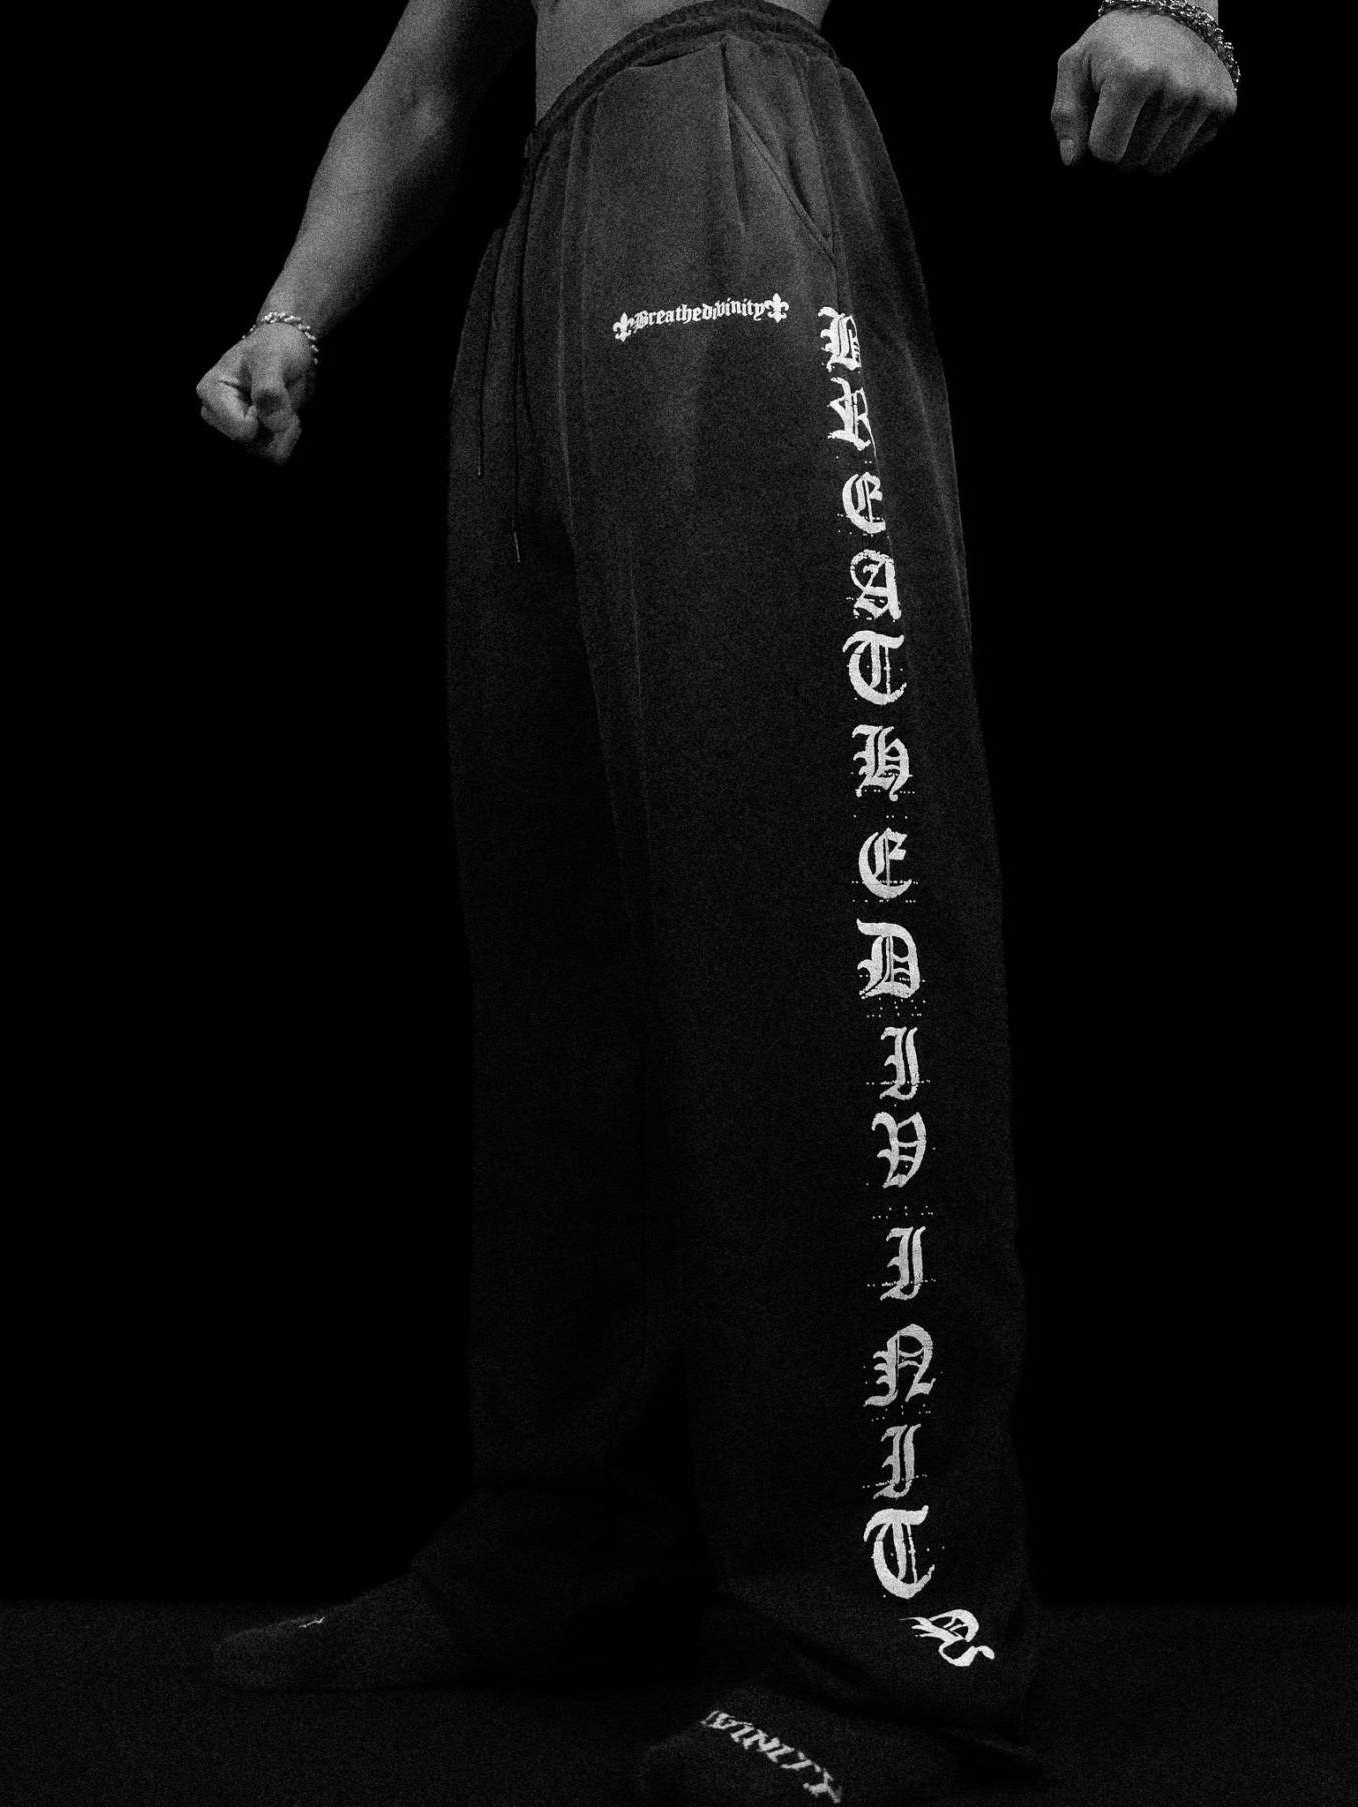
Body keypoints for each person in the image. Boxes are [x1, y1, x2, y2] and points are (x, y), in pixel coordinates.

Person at [196, 2, 1238, 1801]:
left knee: (811, 899)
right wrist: (293, 312)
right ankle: (570, 1544)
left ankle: (890, 1641)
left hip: (732, 150)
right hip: (549, 224)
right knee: (562, 944)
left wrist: (1177, 5)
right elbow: (424, 85)